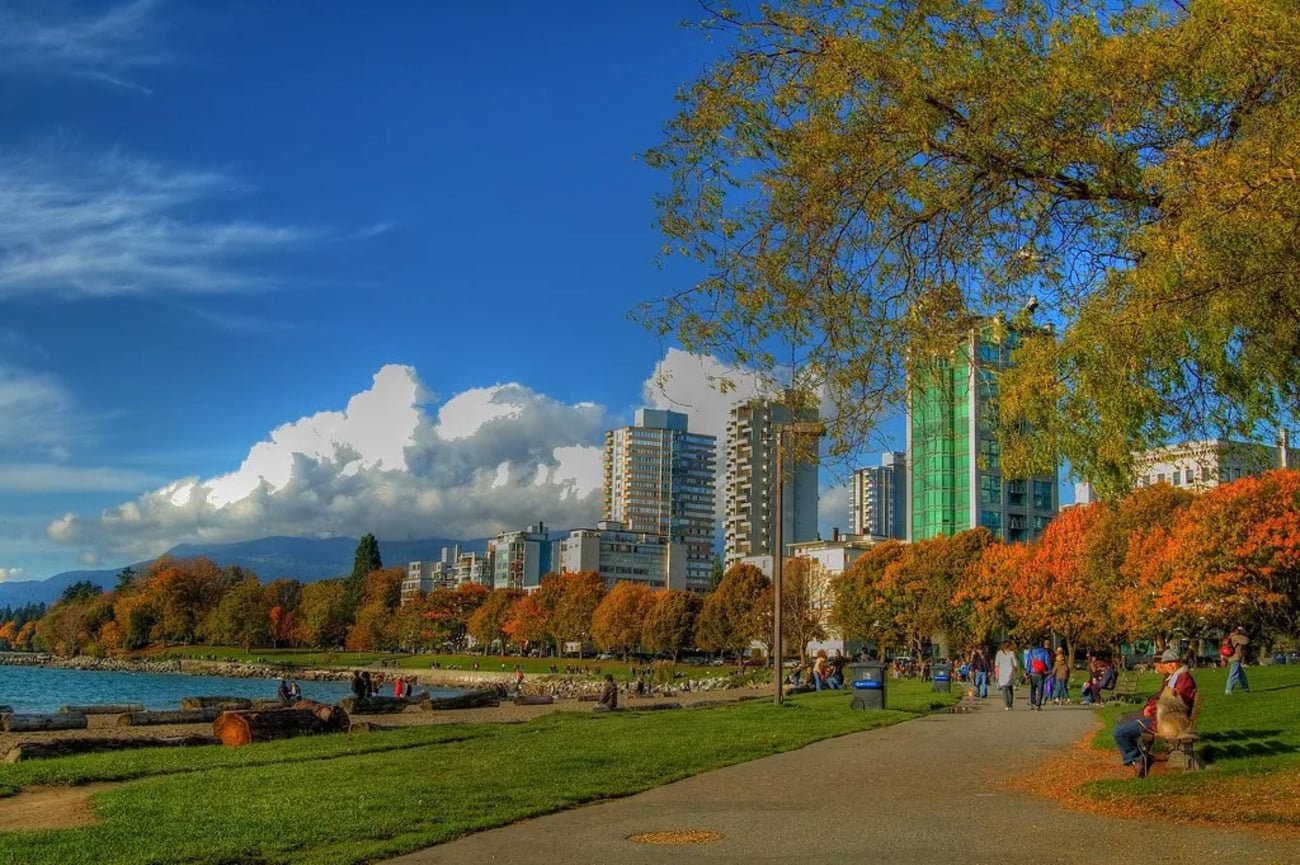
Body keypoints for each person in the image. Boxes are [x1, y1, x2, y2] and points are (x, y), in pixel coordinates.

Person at [1113, 647, 1197, 778]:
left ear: (1179, 662)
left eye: (1172, 662)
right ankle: (1141, 756)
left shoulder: (1183, 679)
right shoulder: (1176, 677)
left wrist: (1151, 709)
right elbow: (1162, 699)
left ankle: (1137, 759)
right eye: (1167, 663)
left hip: (1169, 722)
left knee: (1120, 732)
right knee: (1123, 723)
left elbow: (1173, 704)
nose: (1170, 666)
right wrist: (1150, 707)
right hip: (1163, 718)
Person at [1027, 639, 1053, 710]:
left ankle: (1033, 703)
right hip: (1041, 672)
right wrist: (1049, 669)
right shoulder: (1044, 651)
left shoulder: (1031, 652)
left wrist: (1027, 671)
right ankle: (1038, 705)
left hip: (1032, 672)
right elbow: (1047, 661)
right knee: (1040, 689)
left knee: (1032, 689)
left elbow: (1029, 662)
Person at [1225, 627, 1251, 695]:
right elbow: (1246, 641)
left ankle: (1246, 688)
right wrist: (1244, 634)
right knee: (1233, 674)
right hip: (1235, 658)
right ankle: (1228, 690)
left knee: (1242, 675)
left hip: (1232, 658)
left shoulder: (1231, 637)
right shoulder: (1237, 637)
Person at [994, 640, 1019, 711]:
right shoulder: (1010, 653)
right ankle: (1009, 704)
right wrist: (1016, 669)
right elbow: (1015, 664)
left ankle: (1008, 704)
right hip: (1008, 673)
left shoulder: (1000, 653)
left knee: (1005, 689)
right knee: (1008, 688)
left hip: (1005, 673)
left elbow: (996, 663)